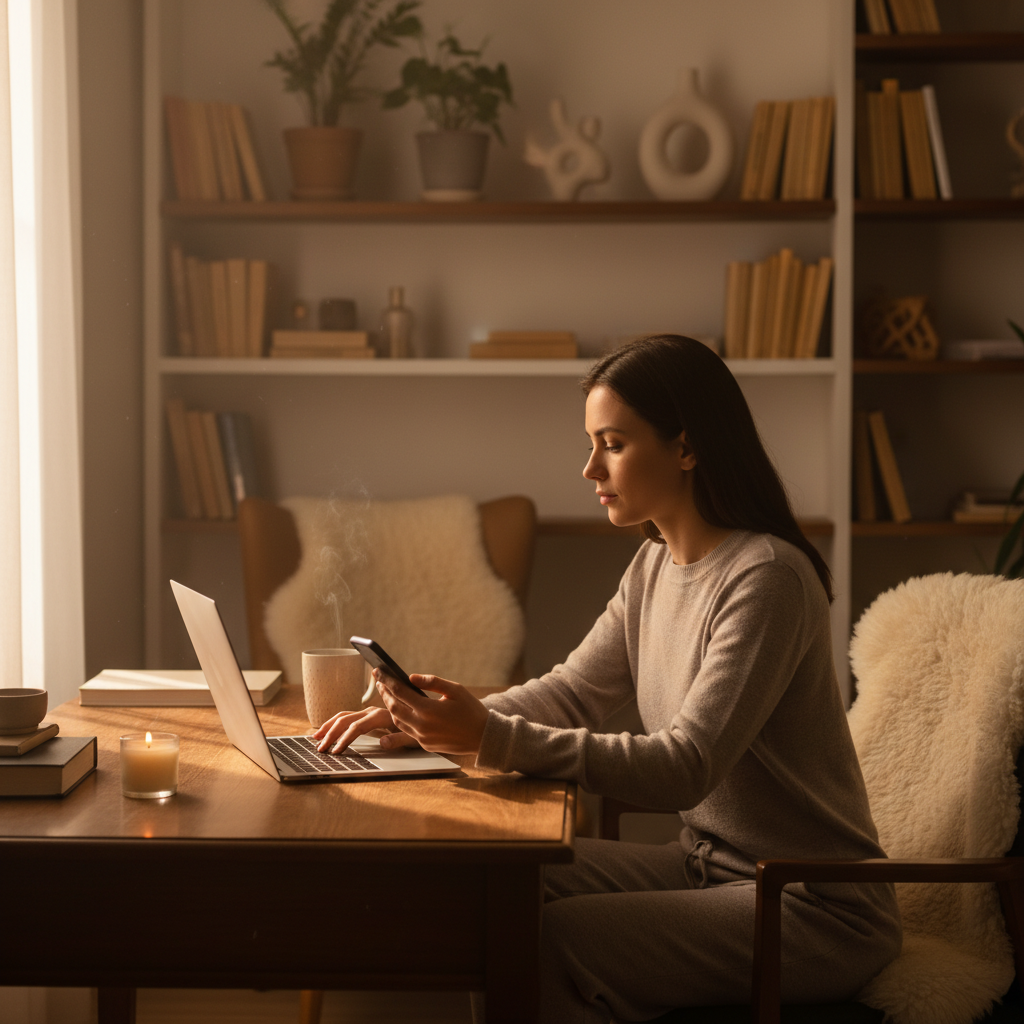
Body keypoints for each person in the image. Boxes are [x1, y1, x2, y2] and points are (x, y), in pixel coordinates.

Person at [314, 334, 902, 1022]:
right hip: (708, 866)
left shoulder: (766, 579)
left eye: (613, 444)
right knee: (494, 887)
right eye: (593, 443)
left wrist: (490, 737)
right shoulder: (653, 566)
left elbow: (687, 765)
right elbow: (572, 694)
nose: (590, 468)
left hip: (812, 905)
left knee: (561, 942)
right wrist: (436, 718)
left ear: (686, 448)